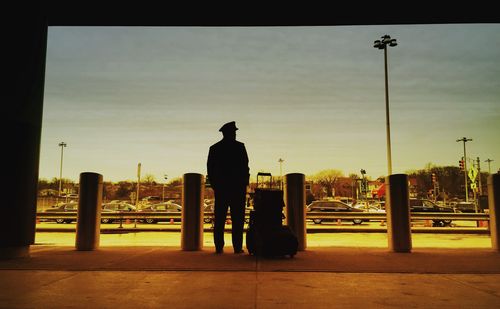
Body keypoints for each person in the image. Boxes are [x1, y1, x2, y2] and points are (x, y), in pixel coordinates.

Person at [207, 121, 250, 254]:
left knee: (220, 218)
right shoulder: (240, 147)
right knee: (238, 219)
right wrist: (244, 184)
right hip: (237, 189)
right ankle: (237, 247)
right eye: (234, 132)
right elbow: (245, 167)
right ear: (229, 133)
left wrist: (216, 186)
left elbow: (210, 170)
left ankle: (219, 246)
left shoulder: (215, 148)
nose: (235, 134)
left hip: (222, 189)